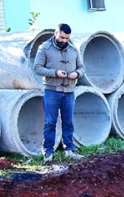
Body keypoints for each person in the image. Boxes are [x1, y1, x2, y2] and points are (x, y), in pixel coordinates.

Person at [33, 23, 85, 162]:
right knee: (50, 122)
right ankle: (48, 152)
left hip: (69, 91)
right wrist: (55, 73)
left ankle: (70, 150)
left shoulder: (73, 49)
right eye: (62, 37)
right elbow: (37, 68)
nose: (64, 41)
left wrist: (77, 74)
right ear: (56, 33)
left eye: (67, 38)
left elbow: (82, 68)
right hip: (52, 91)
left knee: (68, 122)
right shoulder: (44, 48)